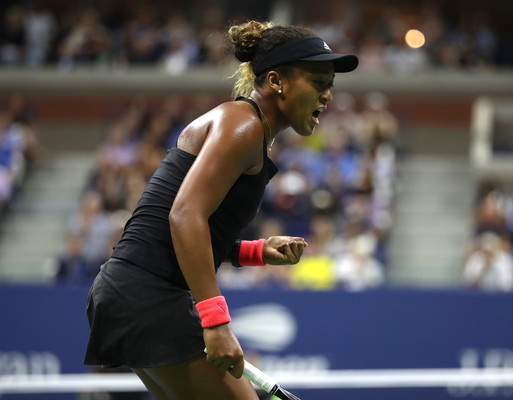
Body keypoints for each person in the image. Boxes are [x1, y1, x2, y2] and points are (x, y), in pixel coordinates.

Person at [84, 20, 358, 400]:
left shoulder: (244, 128)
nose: (327, 96)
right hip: (148, 293)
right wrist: (216, 322)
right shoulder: (242, 126)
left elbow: (189, 224)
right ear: (277, 81)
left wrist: (255, 251)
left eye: (330, 84)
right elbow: (184, 216)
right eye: (318, 81)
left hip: (129, 292)